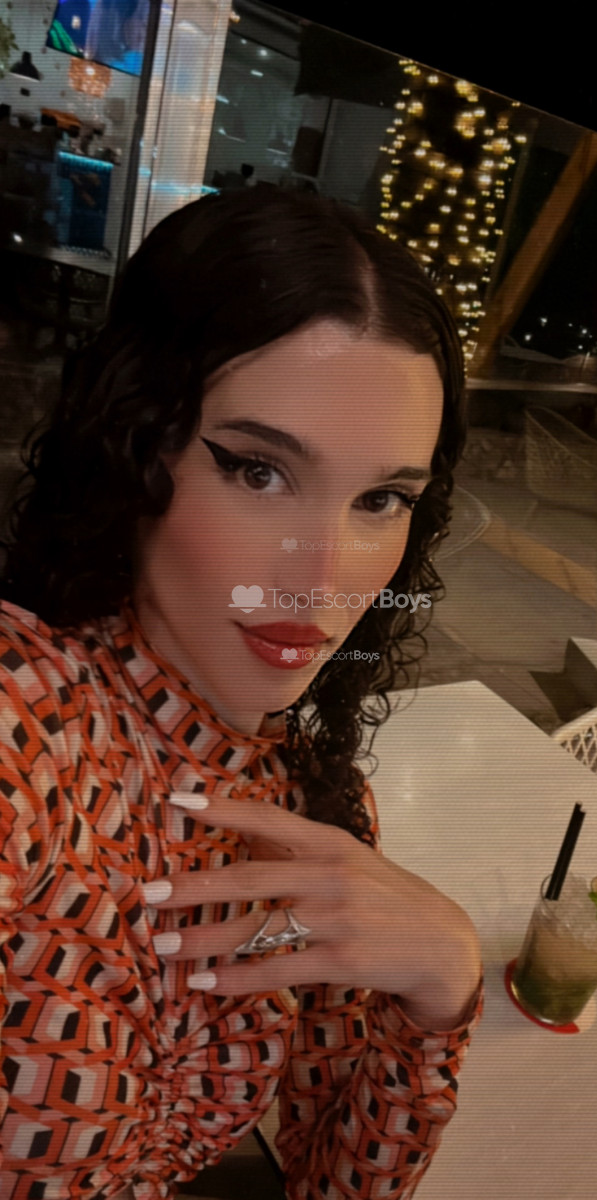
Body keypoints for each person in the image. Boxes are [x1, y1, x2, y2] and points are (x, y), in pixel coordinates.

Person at [0, 185, 483, 1200]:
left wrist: (444, 982)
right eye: (259, 471)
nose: (322, 577)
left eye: (381, 498)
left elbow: (333, 1179)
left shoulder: (311, 808)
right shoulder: (31, 721)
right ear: (137, 444)